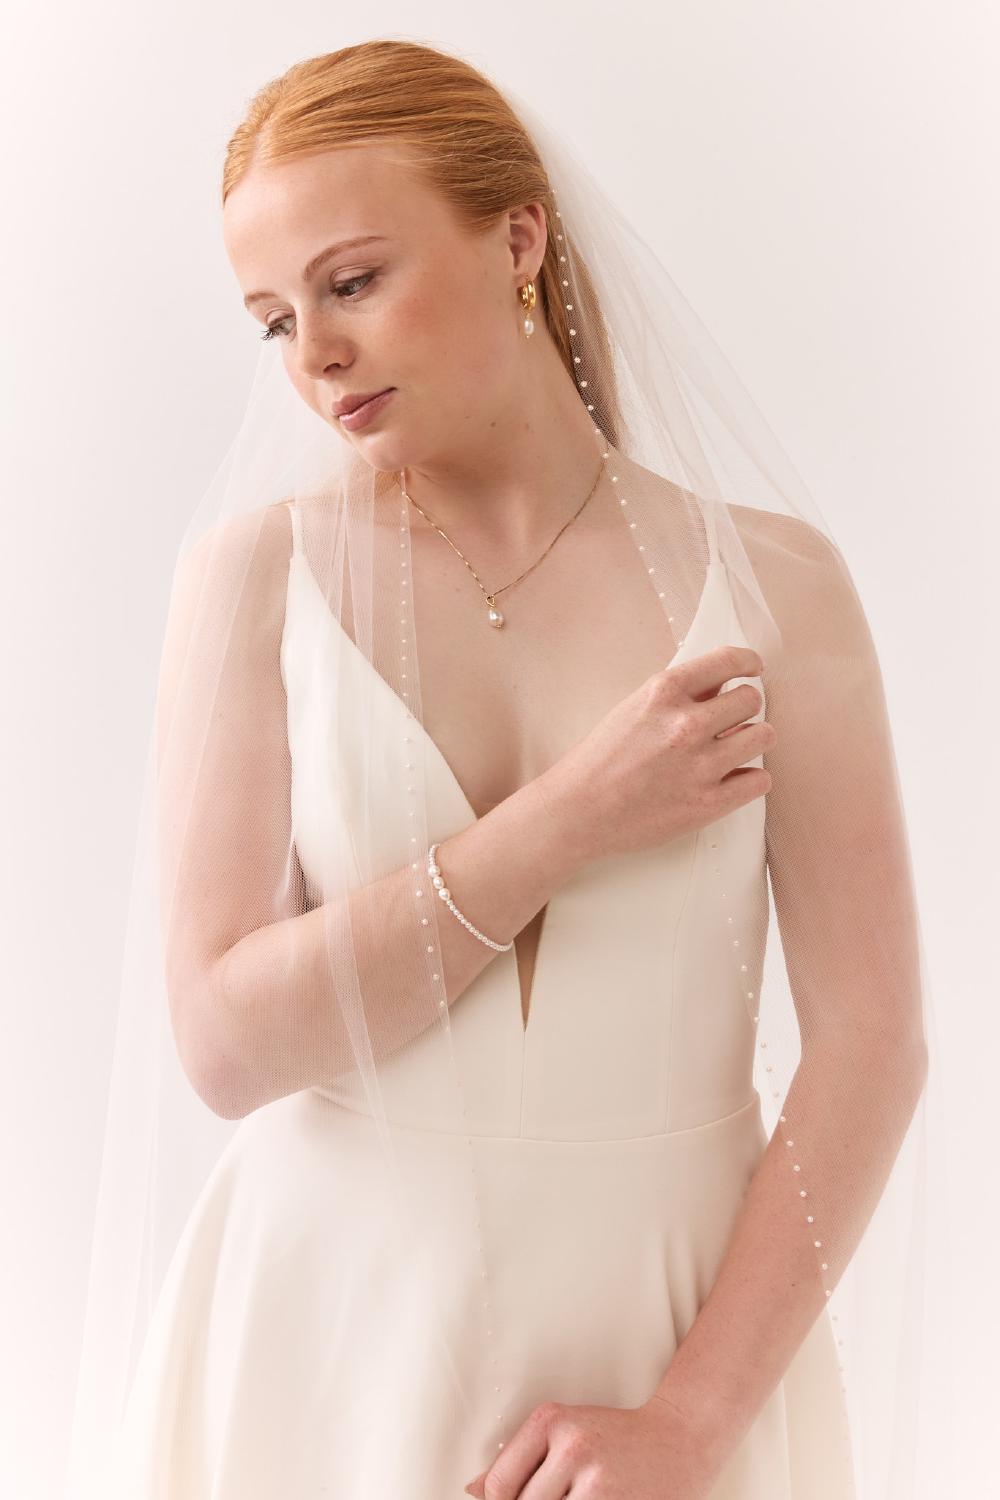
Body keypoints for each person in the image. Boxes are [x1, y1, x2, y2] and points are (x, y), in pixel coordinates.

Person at [65, 38, 946, 1500]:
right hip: (326, 1333)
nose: (313, 355)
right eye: (274, 320)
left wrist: (694, 1419)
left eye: (352, 282)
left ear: (519, 238)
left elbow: (872, 1046)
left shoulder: (779, 587)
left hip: (673, 1330)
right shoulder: (260, 579)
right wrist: (570, 821)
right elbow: (223, 1045)